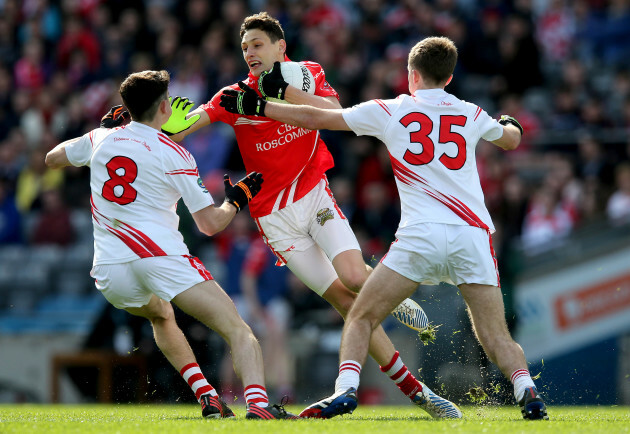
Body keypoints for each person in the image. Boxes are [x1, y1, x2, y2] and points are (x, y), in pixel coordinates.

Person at [219, 36, 549, 421]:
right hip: (471, 235)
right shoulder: (471, 113)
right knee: (496, 336)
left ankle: (345, 392)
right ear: (450, 76)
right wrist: (510, 124)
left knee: (360, 316)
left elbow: (318, 118)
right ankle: (528, 391)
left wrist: (261, 105)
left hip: (421, 236)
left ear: (411, 74)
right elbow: (510, 139)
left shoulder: (391, 109)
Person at [162, 12, 459, 419]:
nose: (249, 51)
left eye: (257, 44)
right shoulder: (231, 96)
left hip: (314, 197)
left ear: (280, 48)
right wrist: (146, 124)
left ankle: (383, 291)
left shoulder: (308, 74)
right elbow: (183, 128)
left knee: (355, 280)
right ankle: (419, 393)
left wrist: (275, 96)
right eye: (245, 46)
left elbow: (336, 112)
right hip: (275, 220)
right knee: (346, 303)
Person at [44, 70, 299, 420]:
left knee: (161, 315)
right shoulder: (175, 153)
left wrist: (101, 130)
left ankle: (207, 397)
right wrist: (236, 200)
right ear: (165, 107)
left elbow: (52, 159)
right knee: (238, 330)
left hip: (111, 271)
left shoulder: (101, 138)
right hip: (161, 259)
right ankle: (258, 407)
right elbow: (210, 225)